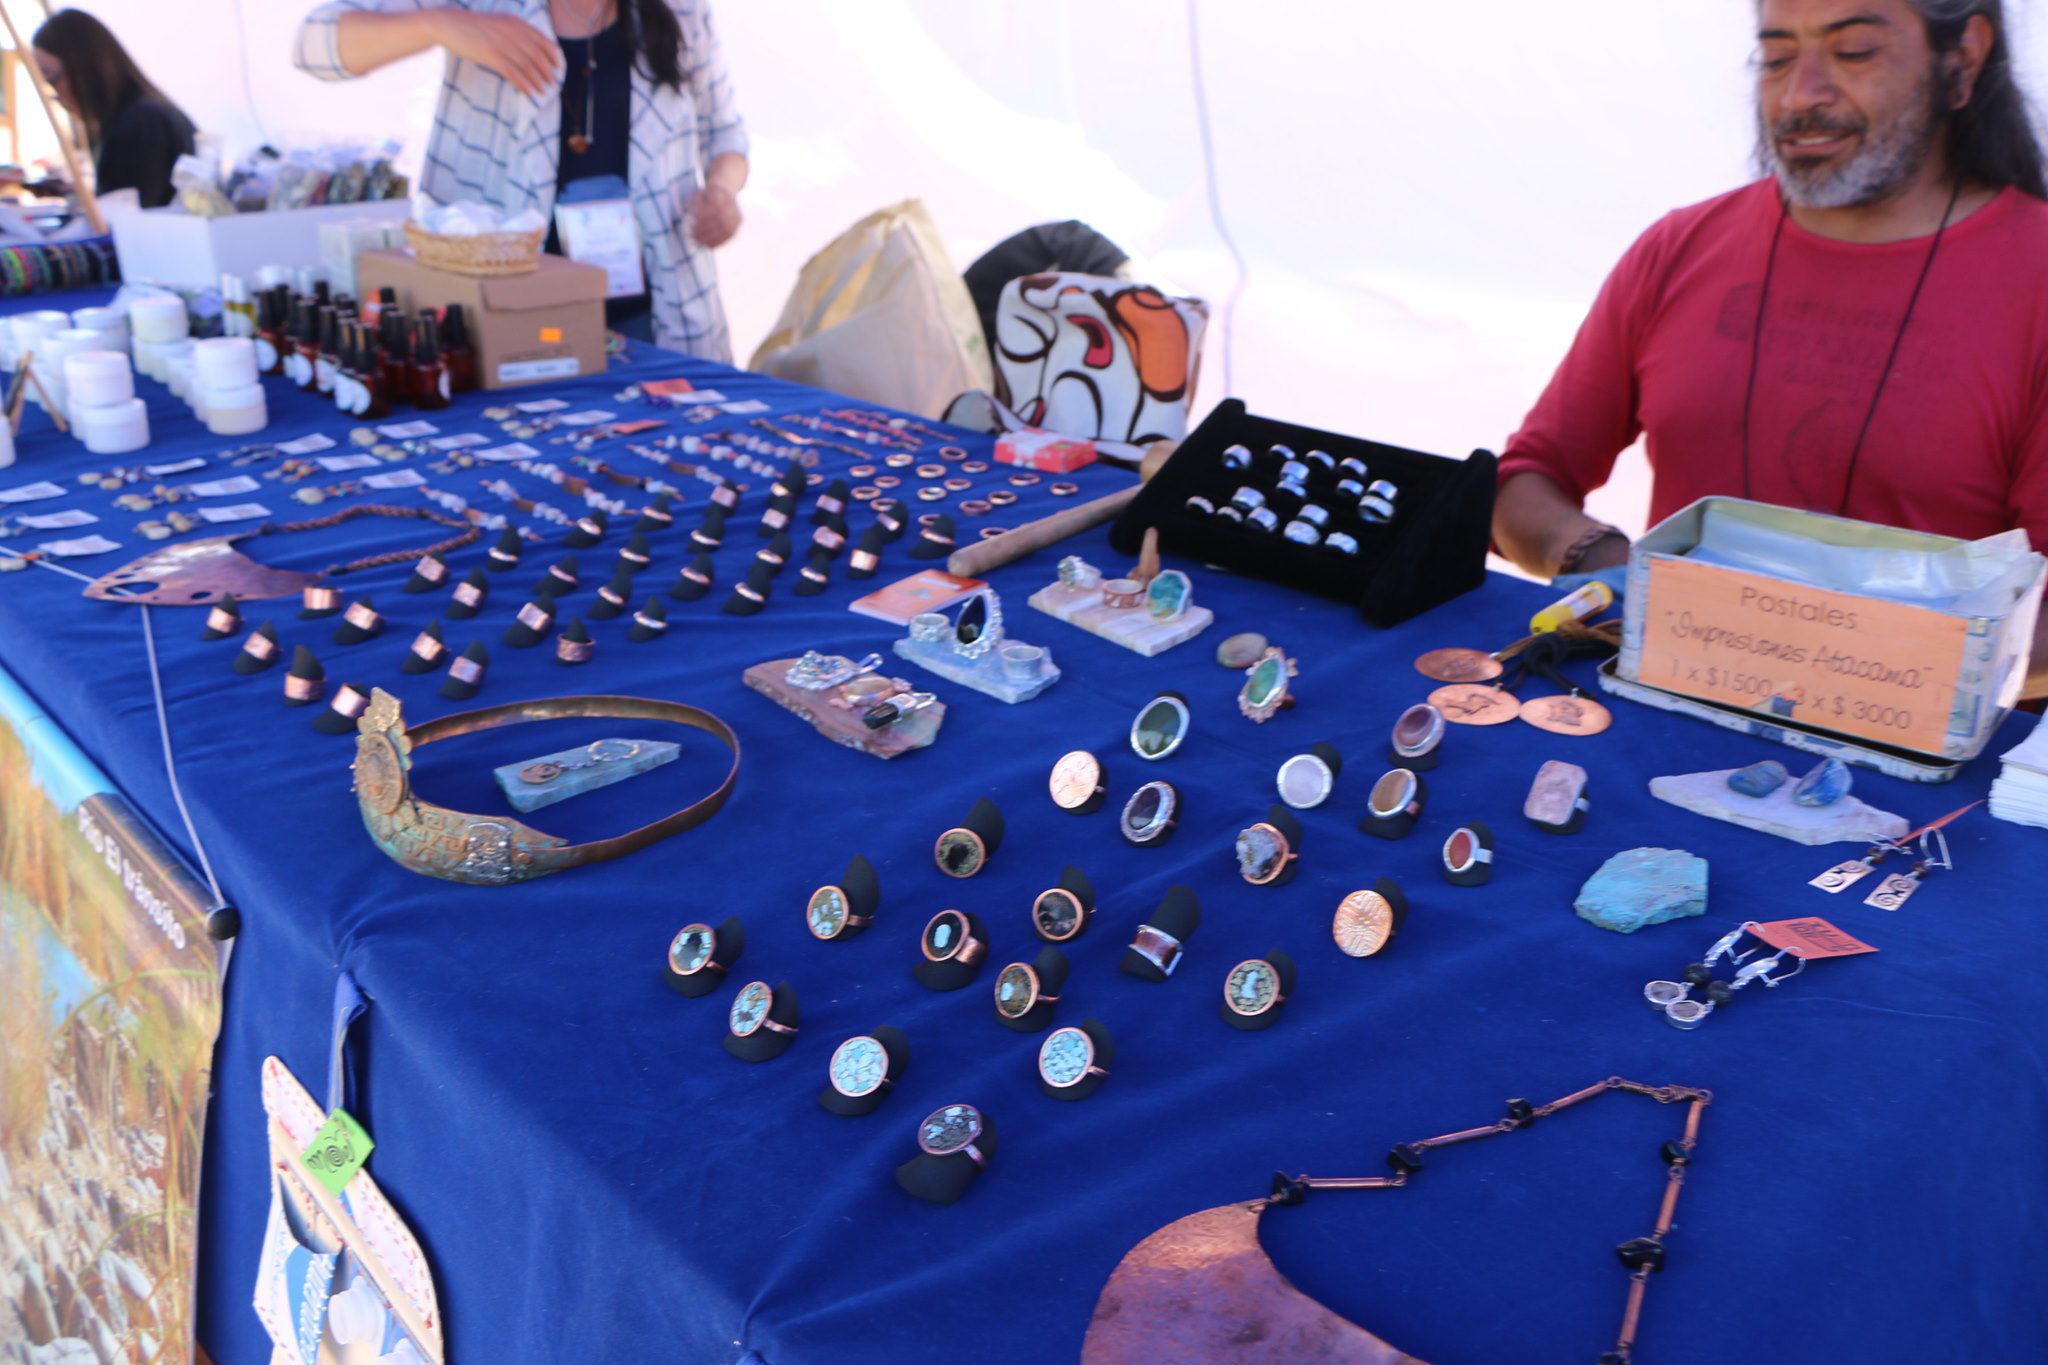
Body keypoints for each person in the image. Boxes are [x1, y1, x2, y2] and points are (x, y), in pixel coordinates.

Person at [1492, 0, 2048, 695]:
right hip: (1653, 721)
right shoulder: (1680, 247)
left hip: (1914, 754)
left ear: (1962, 58)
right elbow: (1522, 483)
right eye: (1777, 57)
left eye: (1853, 52)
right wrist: (1609, 568)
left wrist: (1813, 659)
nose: (1799, 95)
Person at [293, 0, 748, 360]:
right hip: (510, 315)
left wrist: (722, 192)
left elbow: (725, 133)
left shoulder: (683, 9)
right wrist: (442, 24)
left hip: (655, 314)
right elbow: (315, 46)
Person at [31, 11, 197, 211]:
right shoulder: (141, 114)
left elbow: (126, 215)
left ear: (83, 69)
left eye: (51, 79)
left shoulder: (139, 124)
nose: (56, 94)